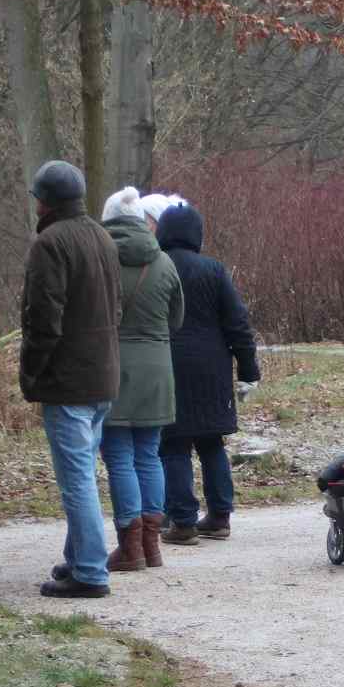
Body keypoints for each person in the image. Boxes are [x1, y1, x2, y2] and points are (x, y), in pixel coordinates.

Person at [20, 160, 122, 598]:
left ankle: (90, 573)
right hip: (104, 374)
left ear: (44, 201)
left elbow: (43, 320)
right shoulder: (102, 235)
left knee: (76, 478)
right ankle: (79, 558)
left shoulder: (50, 243)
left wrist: (31, 372)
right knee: (83, 474)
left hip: (69, 379)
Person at [154, 203, 260, 545]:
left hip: (167, 363)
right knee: (212, 442)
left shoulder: (157, 267)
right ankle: (219, 516)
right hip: (212, 367)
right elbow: (238, 323)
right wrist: (248, 369)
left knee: (173, 444)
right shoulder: (214, 271)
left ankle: (182, 520)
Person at [98, 187, 185, 570]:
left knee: (119, 456)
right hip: (158, 367)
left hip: (112, 364)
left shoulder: (101, 258)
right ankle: (151, 545)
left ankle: (129, 546)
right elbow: (177, 319)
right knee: (149, 455)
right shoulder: (164, 261)